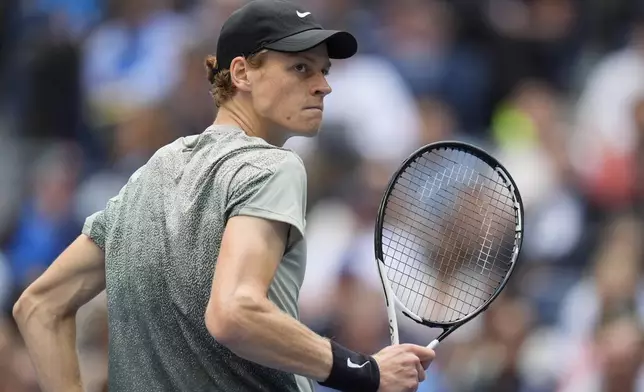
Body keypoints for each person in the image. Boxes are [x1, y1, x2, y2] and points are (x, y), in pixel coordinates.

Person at [11, 1, 436, 391]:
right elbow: (234, 312)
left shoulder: (149, 174)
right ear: (241, 73)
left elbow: (39, 306)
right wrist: (366, 371)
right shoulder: (274, 167)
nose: (324, 86)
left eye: (324, 70)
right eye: (301, 69)